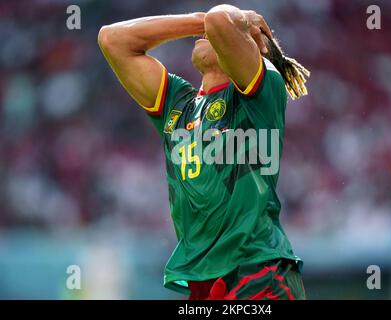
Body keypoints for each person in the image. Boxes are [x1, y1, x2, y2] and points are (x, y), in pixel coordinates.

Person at [98, 4, 309, 300]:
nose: (206, 34)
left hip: (258, 268)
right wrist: (199, 23)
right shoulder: (178, 104)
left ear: (252, 49)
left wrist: (230, 24)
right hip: (203, 278)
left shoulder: (260, 93)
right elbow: (112, 39)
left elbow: (220, 19)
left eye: (214, 35)